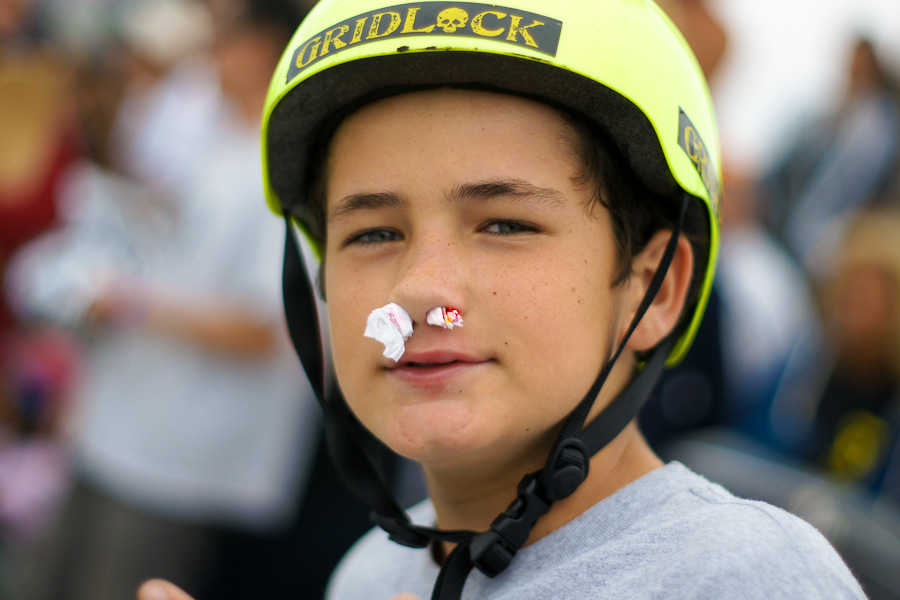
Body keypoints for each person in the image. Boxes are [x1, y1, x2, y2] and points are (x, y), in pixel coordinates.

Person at [141, 1, 866, 599]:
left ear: (655, 288)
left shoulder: (747, 576)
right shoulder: (370, 574)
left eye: (504, 225)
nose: (421, 291)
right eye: (373, 233)